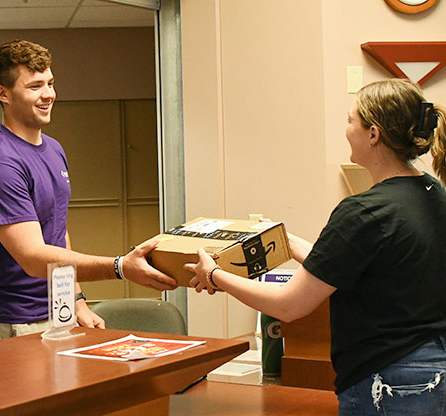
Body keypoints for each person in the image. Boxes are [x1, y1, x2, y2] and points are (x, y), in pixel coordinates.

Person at [186, 79, 446, 415]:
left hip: (390, 382)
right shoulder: (433, 195)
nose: (346, 128)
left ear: (373, 134)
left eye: (350, 120)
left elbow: (289, 305)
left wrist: (215, 274)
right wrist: (283, 240)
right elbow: (343, 267)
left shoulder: (365, 211)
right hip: (433, 371)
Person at [0, 39, 176, 346]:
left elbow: (57, 233)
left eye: (50, 83)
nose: (48, 94)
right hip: (7, 322)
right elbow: (34, 258)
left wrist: (77, 301)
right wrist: (119, 267)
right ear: (3, 93)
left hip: (53, 312)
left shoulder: (53, 150)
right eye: (35, 86)